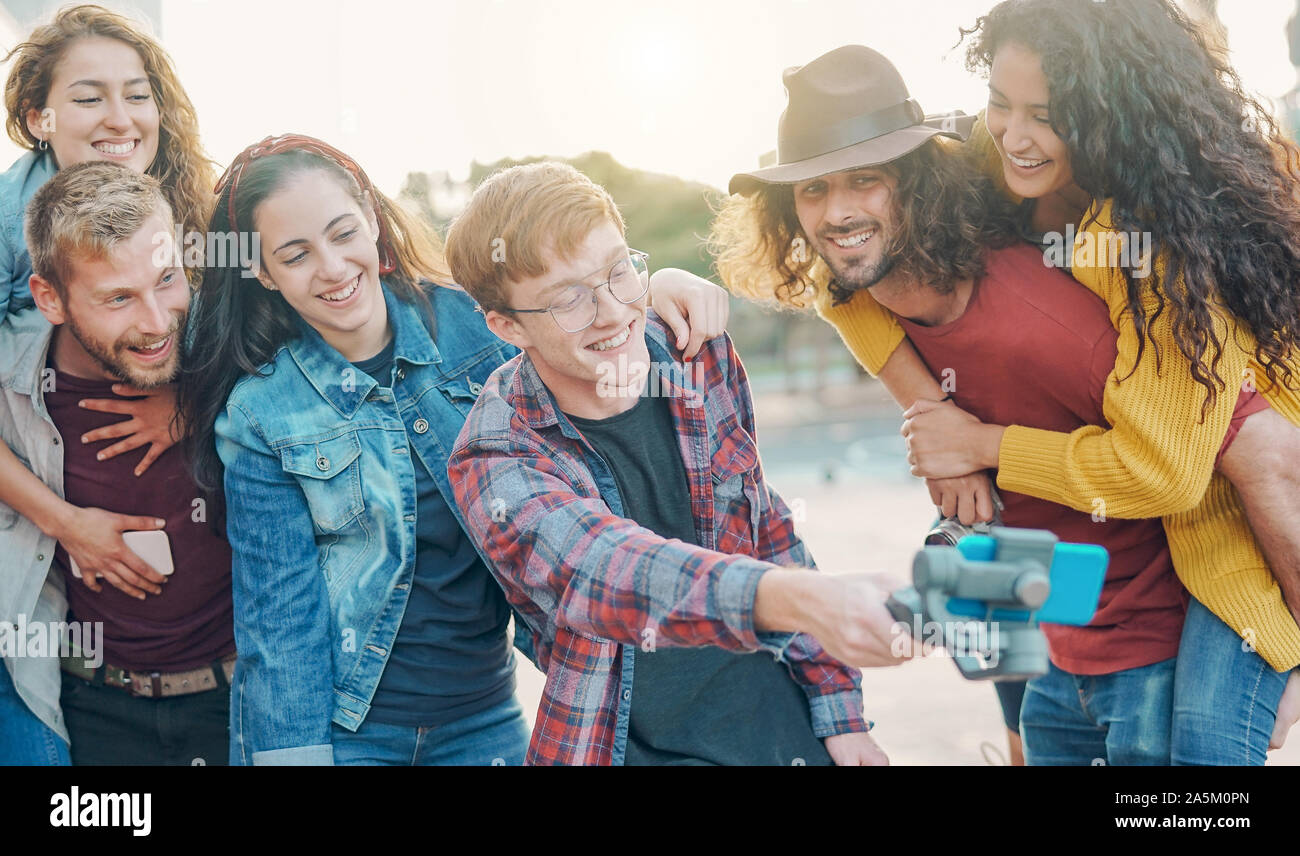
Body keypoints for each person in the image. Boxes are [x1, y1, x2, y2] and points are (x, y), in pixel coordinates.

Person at [771, 0, 1300, 765]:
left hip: (1219, 511)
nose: (1014, 137)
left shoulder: (1158, 245)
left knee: (1208, 745)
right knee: (1033, 700)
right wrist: (931, 414)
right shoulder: (984, 172)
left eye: (1047, 116)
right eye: (999, 105)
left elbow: (1170, 472)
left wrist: (975, 439)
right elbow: (843, 282)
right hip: (1062, 547)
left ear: (1109, 114)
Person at [178, 135, 735, 765]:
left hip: (485, 718)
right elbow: (279, 622)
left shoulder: (476, 325)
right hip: (352, 733)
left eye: (342, 234)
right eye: (296, 254)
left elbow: (587, 335)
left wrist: (658, 287)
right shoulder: (261, 412)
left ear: (372, 219)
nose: (332, 267)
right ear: (261, 271)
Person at [443, 159, 915, 766]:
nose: (613, 311)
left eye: (619, 272)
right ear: (507, 326)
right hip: (624, 745)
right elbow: (606, 569)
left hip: (782, 726)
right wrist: (804, 599)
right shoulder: (494, 454)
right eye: (568, 300)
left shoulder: (697, 352)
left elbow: (764, 524)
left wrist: (840, 711)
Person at [0, 4, 214, 766]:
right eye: (88, 97)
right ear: (39, 117)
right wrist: (63, 519)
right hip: (75, 672)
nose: (120, 117)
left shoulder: (207, 221)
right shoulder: (11, 246)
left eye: (137, 92)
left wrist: (192, 395)